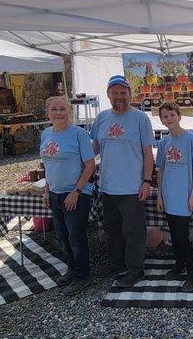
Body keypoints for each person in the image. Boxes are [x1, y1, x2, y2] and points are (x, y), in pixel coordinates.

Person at [90, 75, 154, 288]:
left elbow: (148, 154)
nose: (119, 97)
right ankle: (117, 265)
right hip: (107, 185)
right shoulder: (101, 118)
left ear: (130, 94)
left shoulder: (140, 119)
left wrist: (146, 181)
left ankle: (136, 269)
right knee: (112, 229)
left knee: (133, 231)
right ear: (108, 94)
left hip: (132, 187)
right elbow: (95, 148)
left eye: (123, 92)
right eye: (114, 92)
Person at [41, 96, 96, 296]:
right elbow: (47, 164)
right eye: (54, 109)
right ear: (48, 113)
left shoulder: (79, 134)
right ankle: (72, 269)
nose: (59, 113)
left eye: (63, 109)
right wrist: (47, 190)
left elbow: (90, 165)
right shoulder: (46, 134)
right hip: (55, 193)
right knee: (63, 237)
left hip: (76, 194)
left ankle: (82, 276)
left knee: (76, 237)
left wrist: (77, 191)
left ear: (69, 112)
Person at [156, 103, 193, 292]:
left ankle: (192, 274)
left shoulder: (191, 139)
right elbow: (161, 170)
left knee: (182, 237)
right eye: (165, 116)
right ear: (161, 120)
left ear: (179, 116)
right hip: (168, 195)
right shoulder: (163, 142)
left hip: (184, 196)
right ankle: (179, 265)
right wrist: (159, 195)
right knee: (173, 237)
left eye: (172, 115)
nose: (169, 119)